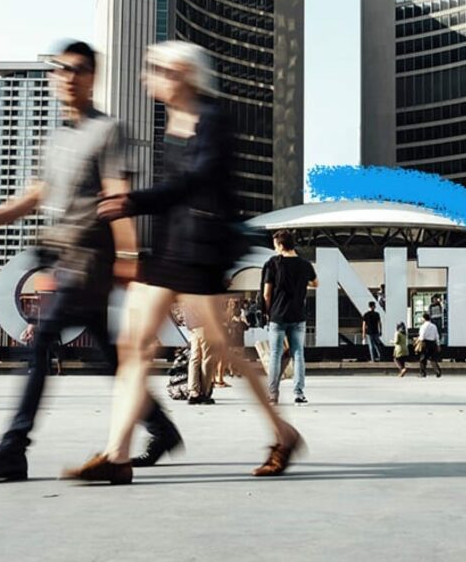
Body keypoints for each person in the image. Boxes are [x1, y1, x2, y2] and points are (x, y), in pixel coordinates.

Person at [63, 41, 302, 484]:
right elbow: (177, 192)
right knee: (134, 345)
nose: (146, 76)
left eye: (156, 68)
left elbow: (195, 183)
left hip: (200, 253)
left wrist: (131, 201)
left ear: (182, 74)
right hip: (170, 249)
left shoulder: (213, 119)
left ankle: (283, 433)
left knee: (225, 350)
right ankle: (116, 455)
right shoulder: (173, 122)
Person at [0, 40, 182, 482]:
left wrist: (130, 259)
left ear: (93, 76)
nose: (68, 77)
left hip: (91, 260)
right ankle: (161, 426)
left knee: (40, 343)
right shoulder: (56, 137)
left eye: (78, 69)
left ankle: (12, 448)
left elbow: (118, 194)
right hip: (62, 258)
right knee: (107, 357)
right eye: (61, 69)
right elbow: (37, 194)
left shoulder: (108, 130)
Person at [263, 229, 318, 406]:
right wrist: (303, 282)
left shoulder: (273, 263)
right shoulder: (304, 264)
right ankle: (299, 394)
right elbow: (316, 283)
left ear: (280, 245)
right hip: (298, 316)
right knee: (298, 355)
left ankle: (273, 395)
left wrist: (269, 312)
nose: (275, 250)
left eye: (275, 246)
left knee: (275, 355)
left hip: (277, 316)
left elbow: (266, 294)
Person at [183, 302, 215, 405]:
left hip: (193, 326)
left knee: (195, 358)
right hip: (205, 325)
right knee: (207, 359)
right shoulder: (203, 288)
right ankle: (205, 393)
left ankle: (193, 392)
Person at [417, 312, 442, 378]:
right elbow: (437, 336)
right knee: (433, 359)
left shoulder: (423, 326)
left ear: (424, 318)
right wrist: (438, 344)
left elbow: (422, 336)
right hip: (433, 343)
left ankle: (422, 373)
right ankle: (438, 371)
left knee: (423, 359)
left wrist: (418, 341)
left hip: (425, 343)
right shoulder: (434, 326)